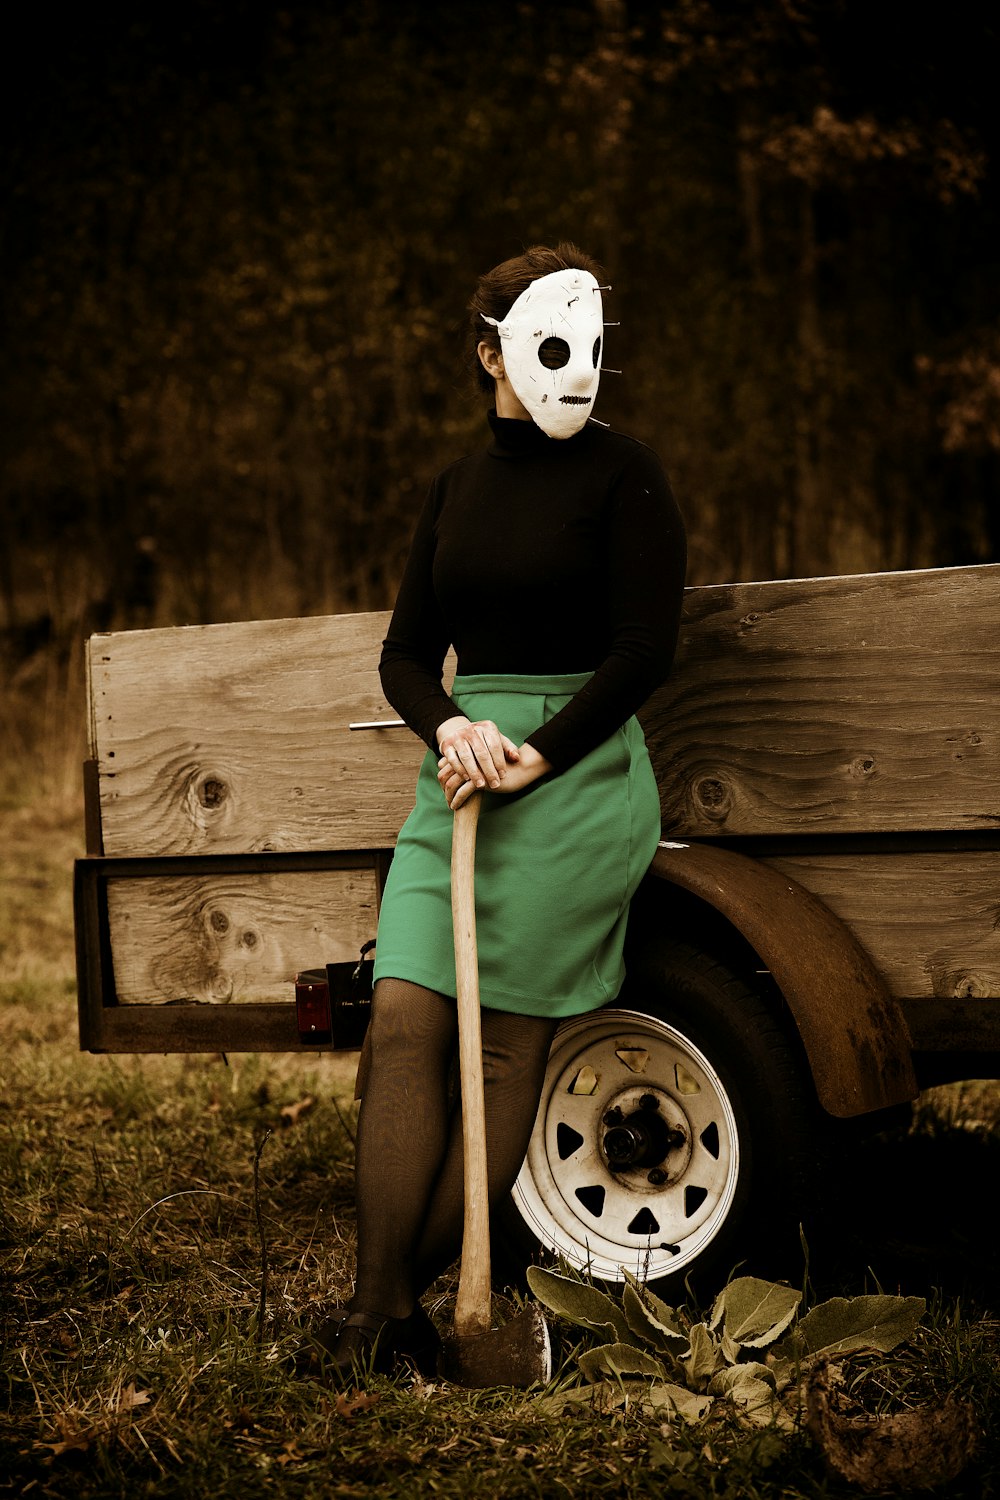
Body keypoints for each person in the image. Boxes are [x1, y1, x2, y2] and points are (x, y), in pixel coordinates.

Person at [307, 242, 687, 1380]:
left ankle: (386, 1321)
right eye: (548, 345)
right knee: (408, 1020)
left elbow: (642, 652)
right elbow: (405, 653)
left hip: (574, 781)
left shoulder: (629, 477)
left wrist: (540, 755)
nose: (577, 370)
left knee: (503, 1045)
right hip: (461, 778)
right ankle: (381, 1314)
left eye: (591, 348)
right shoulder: (455, 490)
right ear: (491, 353)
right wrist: (448, 728)